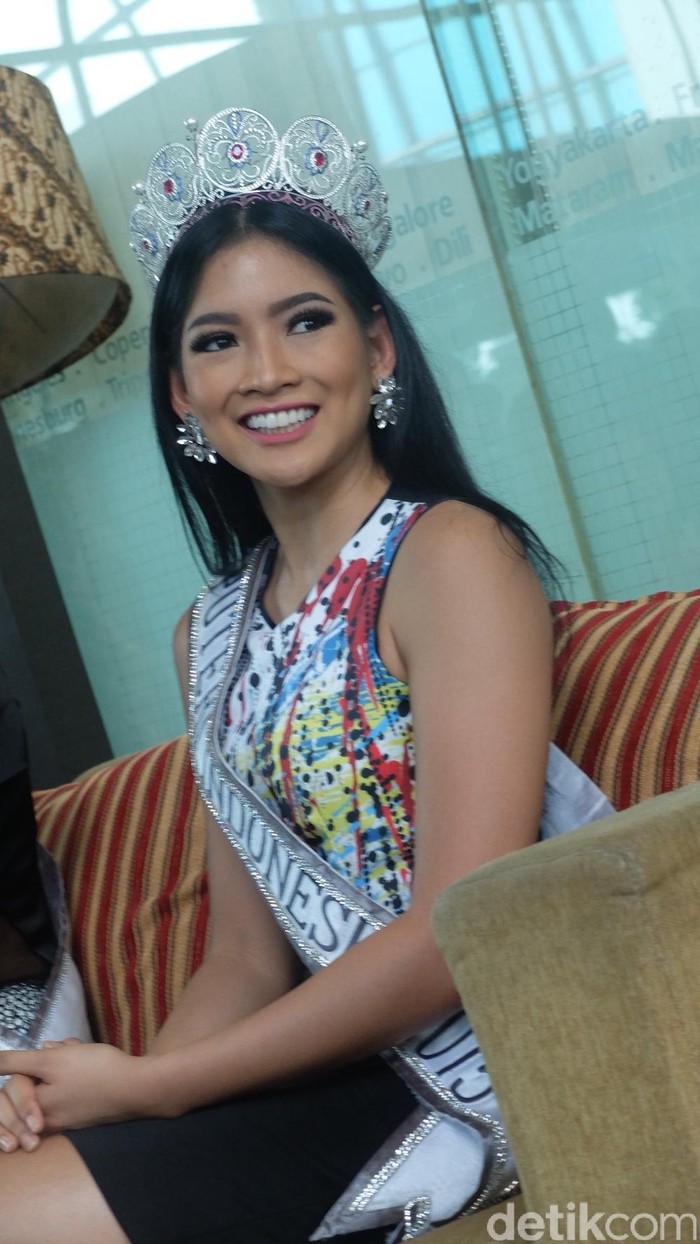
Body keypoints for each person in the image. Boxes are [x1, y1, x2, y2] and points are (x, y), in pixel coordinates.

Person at [0, 109, 610, 1244]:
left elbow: (456, 928)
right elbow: (244, 958)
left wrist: (157, 1089)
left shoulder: (450, 555)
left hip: (471, 1076)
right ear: (178, 390)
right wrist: (109, 1096)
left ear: (376, 350)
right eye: (217, 341)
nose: (267, 371)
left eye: (306, 321)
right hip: (316, 1075)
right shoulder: (208, 632)